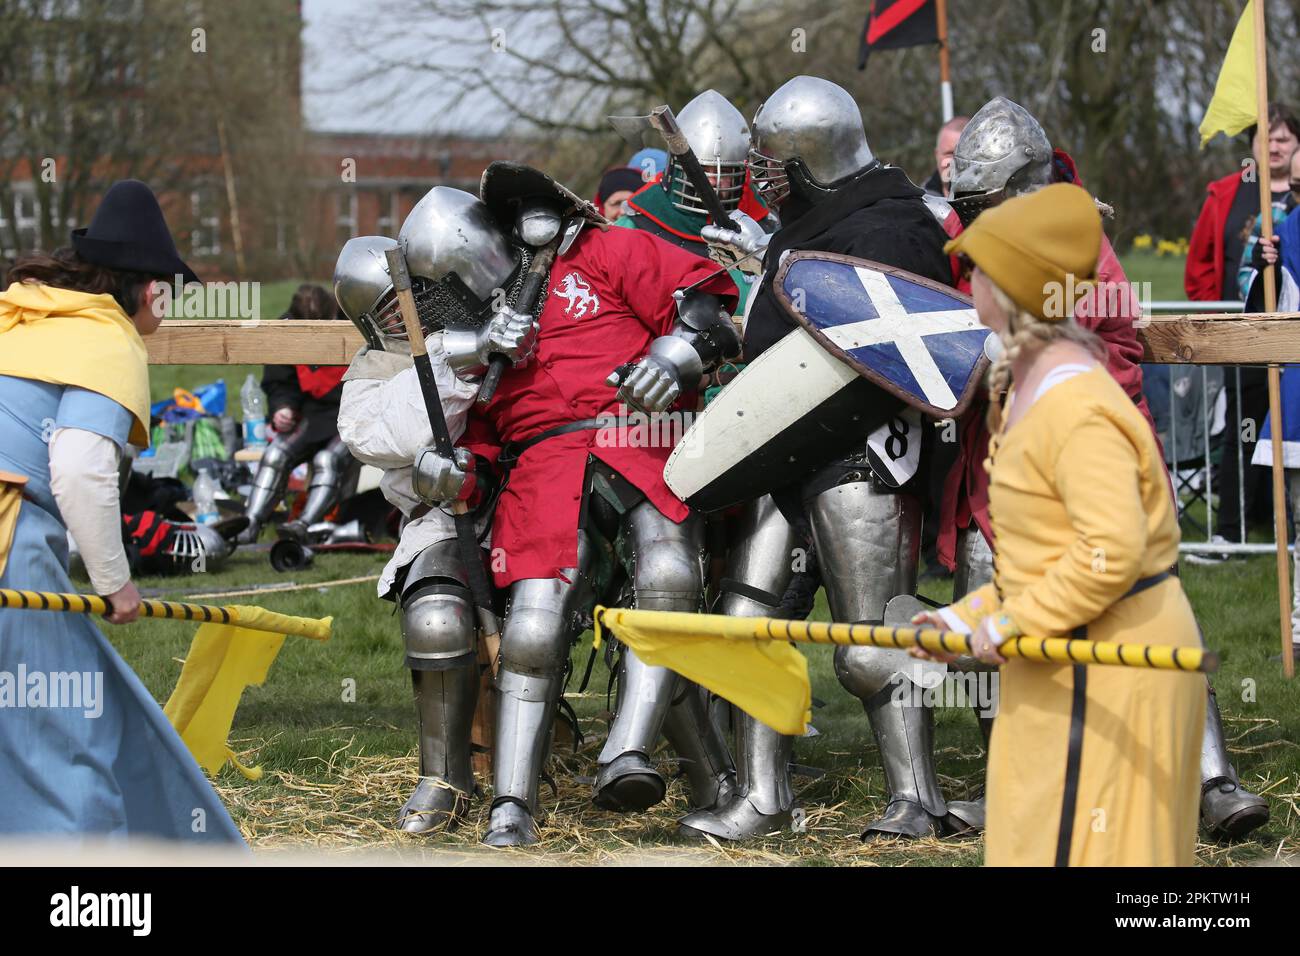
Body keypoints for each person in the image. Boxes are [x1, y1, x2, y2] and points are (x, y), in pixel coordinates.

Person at [942, 95, 1268, 840]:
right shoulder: (983, 242)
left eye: (985, 202)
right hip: (1011, 452)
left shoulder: (1070, 236)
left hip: (1090, 442)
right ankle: (1017, 781)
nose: (974, 217)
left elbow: (1103, 335)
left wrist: (1021, 359)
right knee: (1010, 600)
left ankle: (1211, 778)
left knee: (1135, 599)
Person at [404, 181, 740, 846]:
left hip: (638, 436)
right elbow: (480, 434)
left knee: (667, 571)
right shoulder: (489, 329)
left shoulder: (611, 252)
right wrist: (455, 467)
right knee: (532, 627)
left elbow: (708, 312)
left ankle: (628, 751)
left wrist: (673, 357)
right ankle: (511, 805)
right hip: (543, 468)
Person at [694, 75, 958, 841]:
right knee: (749, 618)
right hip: (787, 451)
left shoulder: (897, 225)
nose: (765, 177)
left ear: (812, 158)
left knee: (873, 644)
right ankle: (763, 798)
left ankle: (918, 799)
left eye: (775, 162)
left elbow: (904, 353)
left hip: (862, 456)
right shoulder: (805, 223)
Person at [913, 183, 1204, 866]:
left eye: (982, 269)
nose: (970, 280)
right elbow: (1044, 562)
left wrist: (1014, 625)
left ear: (1012, 290)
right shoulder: (1032, 388)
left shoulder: (1076, 407)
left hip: (1113, 671)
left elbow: (1110, 552)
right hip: (1058, 660)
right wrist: (964, 620)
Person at [0, 179, 243, 843]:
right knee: (68, 726)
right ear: (145, 289)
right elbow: (78, 469)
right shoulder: (106, 340)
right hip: (7, 549)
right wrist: (116, 583)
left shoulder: (24, 317)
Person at [332, 235, 486, 832]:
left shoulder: (497, 323)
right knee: (436, 614)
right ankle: (445, 777)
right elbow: (384, 439)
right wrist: (449, 354)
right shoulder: (372, 374)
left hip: (541, 499)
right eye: (390, 307)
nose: (407, 313)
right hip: (446, 518)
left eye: (412, 295)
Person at [1188, 105, 1300, 553]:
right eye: (1265, 138)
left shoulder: (1294, 208)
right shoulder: (1229, 194)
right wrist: (1215, 320)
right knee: (1245, 426)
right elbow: (1200, 264)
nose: (1273, 146)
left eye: (1283, 138)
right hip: (1245, 331)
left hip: (1292, 336)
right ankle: (1231, 530)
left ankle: (1284, 528)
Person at [240, 283, 357, 543]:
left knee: (327, 461)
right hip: (310, 416)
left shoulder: (354, 325)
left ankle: (304, 526)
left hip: (351, 416)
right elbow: (280, 382)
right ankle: (249, 525)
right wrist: (283, 407)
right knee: (274, 455)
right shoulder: (286, 330)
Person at [923, 115, 969, 197]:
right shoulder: (920, 204)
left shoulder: (994, 203)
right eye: (949, 153)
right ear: (937, 155)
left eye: (962, 153)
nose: (955, 160)